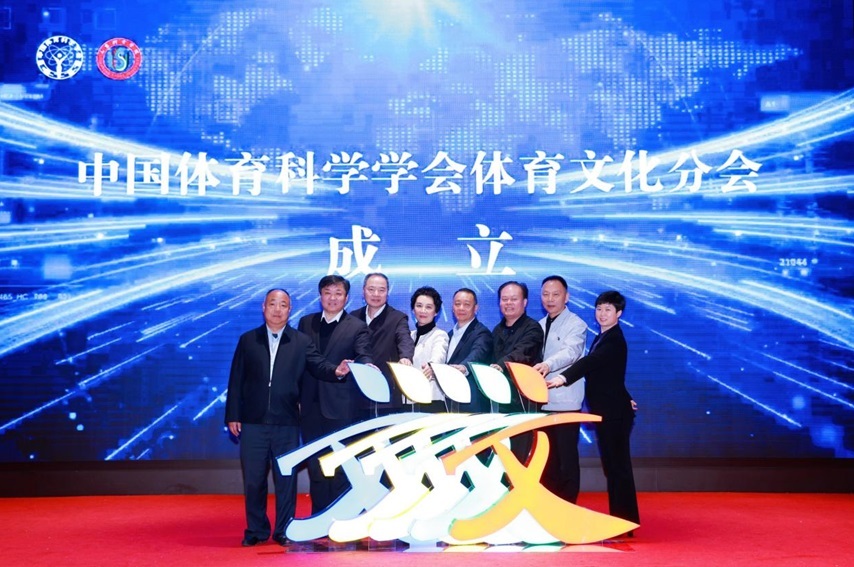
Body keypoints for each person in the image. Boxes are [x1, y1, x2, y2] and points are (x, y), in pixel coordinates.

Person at [225, 289, 352, 547]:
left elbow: (319, 365)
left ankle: (283, 529)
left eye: (283, 305)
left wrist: (337, 371)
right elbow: (236, 379)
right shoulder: (248, 340)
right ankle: (256, 530)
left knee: (286, 480)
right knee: (254, 480)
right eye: (273, 304)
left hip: (287, 422)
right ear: (263, 307)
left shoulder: (301, 341)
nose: (277, 309)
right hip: (253, 421)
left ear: (289, 310)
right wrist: (233, 415)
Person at [551, 290, 640, 529]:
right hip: (610, 410)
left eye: (608, 310)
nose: (602, 314)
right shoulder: (604, 337)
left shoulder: (613, 339)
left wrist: (563, 378)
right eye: (599, 309)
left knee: (618, 468)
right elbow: (612, 374)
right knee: (614, 467)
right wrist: (627, 397)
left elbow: (591, 363)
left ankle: (625, 522)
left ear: (619, 313)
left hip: (614, 414)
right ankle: (622, 521)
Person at [297, 275, 373, 514]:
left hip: (341, 406)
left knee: (340, 463)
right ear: (320, 296)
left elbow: (363, 353)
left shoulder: (357, 326)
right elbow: (302, 361)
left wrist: (367, 365)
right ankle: (320, 516)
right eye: (327, 293)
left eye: (338, 293)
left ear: (346, 298)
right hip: (310, 405)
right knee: (316, 464)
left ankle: (341, 517)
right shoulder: (306, 323)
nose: (332, 298)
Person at [533, 275, 587, 504]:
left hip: (566, 403)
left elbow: (571, 352)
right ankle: (550, 506)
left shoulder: (576, 324)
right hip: (541, 403)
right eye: (545, 294)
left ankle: (568, 507)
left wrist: (547, 365)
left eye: (556, 294)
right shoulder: (538, 325)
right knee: (547, 460)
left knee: (566, 460)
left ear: (567, 297)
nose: (550, 299)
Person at [351, 273, 415, 415]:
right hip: (356, 395)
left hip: (386, 394)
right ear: (363, 291)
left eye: (381, 290)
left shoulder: (397, 318)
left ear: (387, 292)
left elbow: (405, 339)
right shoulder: (353, 317)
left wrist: (406, 357)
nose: (376, 294)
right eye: (371, 289)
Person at [491, 281, 544, 412]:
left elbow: (522, 352)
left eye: (514, 299)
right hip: (499, 398)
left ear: (524, 302)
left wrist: (501, 365)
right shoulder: (497, 330)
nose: (508, 303)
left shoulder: (533, 328)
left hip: (524, 401)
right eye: (504, 299)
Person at [444, 288, 493, 413]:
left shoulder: (482, 332)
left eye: (466, 304)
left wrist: (464, 366)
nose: (461, 308)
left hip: (472, 403)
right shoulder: (448, 335)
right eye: (457, 304)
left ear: (475, 308)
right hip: (451, 401)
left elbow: (478, 353)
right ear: (452, 307)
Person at [407, 286, 449, 411]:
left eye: (429, 307)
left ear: (436, 312)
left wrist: (432, 366)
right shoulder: (409, 336)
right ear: (413, 309)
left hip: (431, 400)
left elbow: (439, 356)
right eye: (419, 306)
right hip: (408, 399)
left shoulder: (440, 335)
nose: (423, 311)